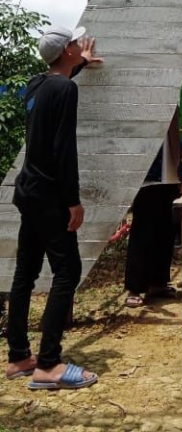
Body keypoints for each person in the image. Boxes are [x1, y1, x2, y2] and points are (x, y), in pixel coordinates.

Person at [5, 25, 101, 390]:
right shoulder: (65, 89)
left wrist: (78, 65)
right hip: (49, 195)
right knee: (67, 271)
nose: (81, 45)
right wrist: (73, 200)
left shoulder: (36, 84)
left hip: (29, 191)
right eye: (76, 43)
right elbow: (64, 149)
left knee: (25, 273)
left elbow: (55, 84)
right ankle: (48, 365)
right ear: (67, 51)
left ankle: (18, 358)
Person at [124, 115, 181, 308]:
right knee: (142, 231)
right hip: (145, 175)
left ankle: (158, 282)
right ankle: (135, 287)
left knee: (166, 229)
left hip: (169, 173)